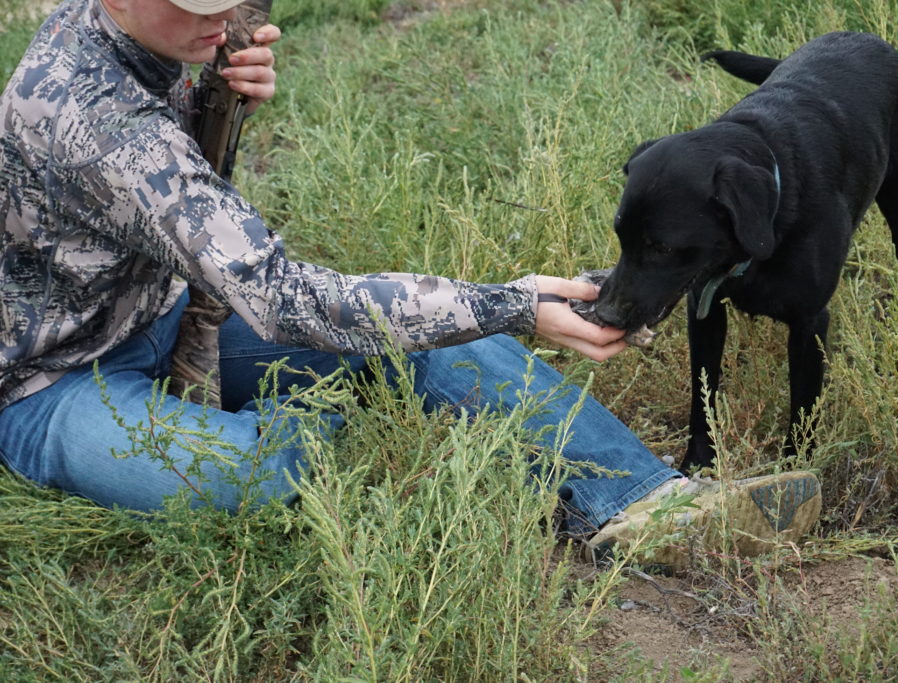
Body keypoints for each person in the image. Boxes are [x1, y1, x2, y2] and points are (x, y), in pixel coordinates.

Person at [0, 0, 821, 570]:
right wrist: (515, 304)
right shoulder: (91, 115)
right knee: (264, 471)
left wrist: (227, 96)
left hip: (166, 310)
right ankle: (326, 429)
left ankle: (651, 506)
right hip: (54, 382)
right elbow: (284, 296)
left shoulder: (157, 35)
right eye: (196, 7)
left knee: (431, 332)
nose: (220, 19)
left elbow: (163, 184)